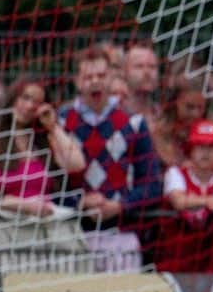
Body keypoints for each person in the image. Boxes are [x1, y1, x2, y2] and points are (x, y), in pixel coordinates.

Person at [59, 47, 162, 231]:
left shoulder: (134, 123)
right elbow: (50, 183)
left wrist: (120, 206)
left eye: (101, 75)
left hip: (123, 233)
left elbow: (151, 184)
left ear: (112, 78)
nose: (95, 82)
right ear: (77, 82)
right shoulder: (61, 123)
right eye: (88, 77)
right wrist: (81, 202)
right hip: (71, 233)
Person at [156, 119, 213, 272]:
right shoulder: (176, 174)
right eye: (200, 146)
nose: (205, 152)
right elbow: (179, 201)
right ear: (190, 150)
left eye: (212, 147)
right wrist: (212, 200)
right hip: (178, 259)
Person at [0, 74, 86, 216]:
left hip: (44, 224)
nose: (30, 106)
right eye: (25, 97)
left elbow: (77, 164)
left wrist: (53, 127)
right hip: (7, 225)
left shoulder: (44, 142)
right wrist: (24, 206)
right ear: (13, 97)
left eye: (37, 102)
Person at [120, 41, 161, 123]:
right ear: (124, 72)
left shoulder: (163, 115)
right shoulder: (114, 114)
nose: (147, 72)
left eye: (152, 66)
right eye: (139, 66)